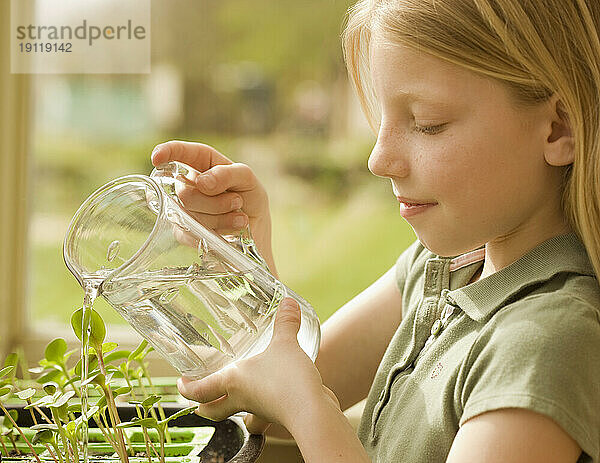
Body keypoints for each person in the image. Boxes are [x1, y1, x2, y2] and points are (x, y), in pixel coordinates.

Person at [150, 0, 600, 461]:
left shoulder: (548, 341)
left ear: (557, 128)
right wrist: (246, 263)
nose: (378, 159)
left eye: (427, 124)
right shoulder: (443, 269)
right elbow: (262, 406)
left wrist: (306, 405)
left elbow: (300, 401)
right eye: (381, 120)